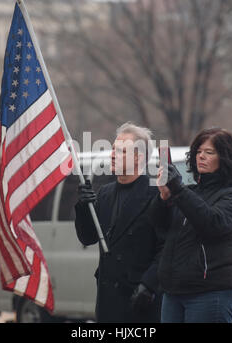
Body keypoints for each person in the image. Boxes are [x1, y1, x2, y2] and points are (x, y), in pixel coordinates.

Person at [151, 127, 232, 323]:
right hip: (174, 291)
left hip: (211, 292)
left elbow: (212, 223)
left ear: (225, 158)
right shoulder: (189, 192)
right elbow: (159, 227)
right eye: (198, 152)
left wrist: (178, 189)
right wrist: (164, 198)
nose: (201, 156)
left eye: (209, 152)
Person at [74, 122, 164, 323]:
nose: (112, 155)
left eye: (121, 151)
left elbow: (165, 248)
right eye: (113, 150)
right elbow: (87, 237)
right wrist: (83, 206)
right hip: (107, 302)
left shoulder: (155, 195)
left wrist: (148, 285)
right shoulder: (105, 193)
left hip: (139, 301)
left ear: (138, 157)